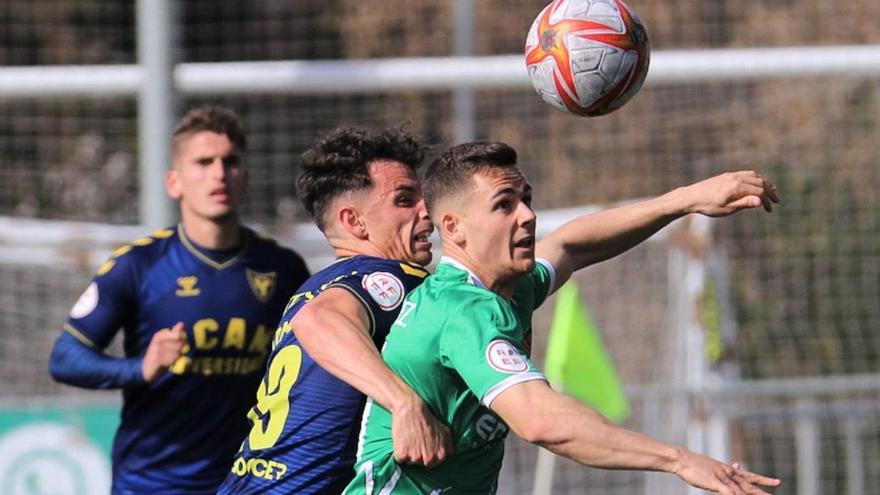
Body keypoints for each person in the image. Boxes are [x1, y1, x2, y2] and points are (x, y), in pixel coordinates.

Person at [346, 141, 783, 495]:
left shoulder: (507, 288)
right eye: (505, 205)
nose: (529, 216)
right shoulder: (463, 311)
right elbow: (541, 420)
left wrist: (684, 201)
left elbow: (572, 245)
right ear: (454, 228)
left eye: (527, 200)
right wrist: (680, 459)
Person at [48, 106, 310, 494]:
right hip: (152, 483)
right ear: (174, 182)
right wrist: (140, 368)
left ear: (246, 178)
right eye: (203, 162)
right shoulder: (139, 265)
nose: (219, 173)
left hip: (248, 481)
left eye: (230, 161)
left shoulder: (283, 269)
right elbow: (65, 357)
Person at [218, 127, 451, 495]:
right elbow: (319, 321)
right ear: (354, 221)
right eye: (405, 200)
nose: (427, 211)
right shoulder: (389, 276)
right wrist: (403, 401)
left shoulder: (315, 287)